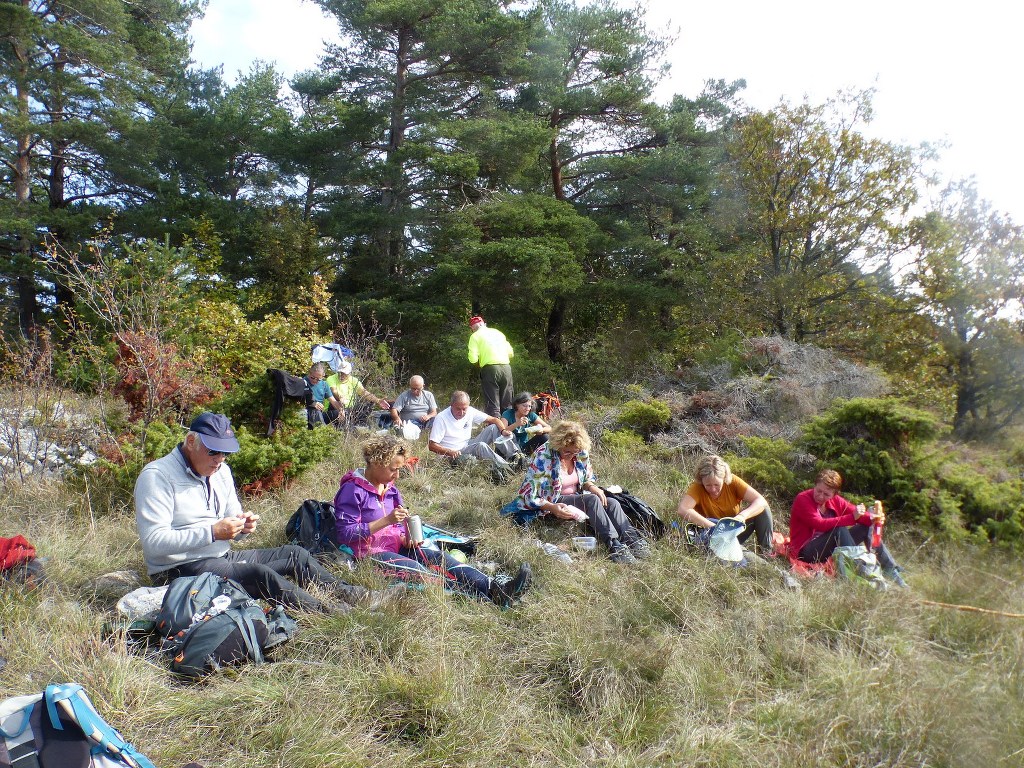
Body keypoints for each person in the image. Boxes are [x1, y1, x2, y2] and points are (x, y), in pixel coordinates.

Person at [134, 412, 370, 613]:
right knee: (258, 574)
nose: (220, 460)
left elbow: (232, 519)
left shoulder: (221, 472)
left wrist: (242, 528)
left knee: (295, 553)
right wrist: (213, 533)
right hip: (178, 570)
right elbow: (154, 543)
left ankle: (352, 594)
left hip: (218, 557)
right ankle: (327, 613)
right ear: (190, 441)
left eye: (225, 453)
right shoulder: (157, 476)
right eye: (213, 452)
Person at [333, 434, 531, 607]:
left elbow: (398, 525)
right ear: (376, 463)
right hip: (369, 554)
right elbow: (345, 533)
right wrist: (386, 520)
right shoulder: (352, 490)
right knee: (421, 573)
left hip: (396, 546)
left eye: (400, 469)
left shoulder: (390, 487)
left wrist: (405, 537)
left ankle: (495, 587)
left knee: (440, 558)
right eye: (393, 469)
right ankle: (486, 597)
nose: (397, 475)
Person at [515, 421, 651, 565]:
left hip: (577, 496)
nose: (571, 455)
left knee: (612, 502)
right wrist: (551, 507)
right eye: (567, 451)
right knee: (591, 501)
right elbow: (529, 495)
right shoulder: (543, 456)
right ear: (558, 443)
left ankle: (632, 540)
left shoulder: (580, 452)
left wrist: (592, 487)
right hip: (555, 499)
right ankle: (614, 545)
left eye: (574, 452)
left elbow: (586, 478)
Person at [789, 469, 907, 587]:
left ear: (834, 494)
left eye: (826, 494)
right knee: (839, 530)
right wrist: (852, 517)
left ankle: (890, 569)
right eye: (818, 491)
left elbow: (857, 515)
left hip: (827, 549)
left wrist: (873, 518)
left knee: (865, 528)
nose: (820, 496)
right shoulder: (803, 499)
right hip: (806, 552)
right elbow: (819, 523)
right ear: (814, 485)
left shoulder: (836, 501)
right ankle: (859, 572)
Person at [675, 455, 774, 555]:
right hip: (713, 537)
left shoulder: (732, 481)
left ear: (724, 478)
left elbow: (761, 501)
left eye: (717, 485)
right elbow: (683, 509)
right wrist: (714, 527)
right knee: (746, 559)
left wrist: (742, 516)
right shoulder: (697, 487)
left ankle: (766, 552)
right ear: (702, 481)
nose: (713, 489)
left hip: (733, 529)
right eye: (708, 485)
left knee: (763, 510)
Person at [428, 391, 518, 475]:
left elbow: (494, 419)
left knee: (493, 428)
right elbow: (432, 446)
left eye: (464, 409)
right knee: (480, 446)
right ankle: (507, 467)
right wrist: (449, 452)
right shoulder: (441, 418)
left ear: (468, 405)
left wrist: (503, 430)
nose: (461, 412)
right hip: (452, 454)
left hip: (467, 445)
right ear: (451, 405)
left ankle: (515, 457)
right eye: (458, 409)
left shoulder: (470, 411)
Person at [467, 315, 514, 417]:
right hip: (506, 367)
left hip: (490, 369)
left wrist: (479, 360)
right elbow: (511, 353)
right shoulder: (498, 333)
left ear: (472, 328)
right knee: (507, 400)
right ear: (484, 324)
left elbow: (472, 359)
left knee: (492, 402)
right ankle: (509, 426)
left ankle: (496, 428)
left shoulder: (474, 336)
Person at [324, 360, 390, 426]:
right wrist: (340, 397)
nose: (341, 375)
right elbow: (333, 391)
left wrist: (378, 400)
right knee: (336, 409)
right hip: (335, 407)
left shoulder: (354, 381)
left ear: (349, 373)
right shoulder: (331, 378)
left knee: (368, 405)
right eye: (340, 372)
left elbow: (363, 392)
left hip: (350, 409)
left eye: (344, 374)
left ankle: (359, 423)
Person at [501, 392, 551, 457]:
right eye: (524, 405)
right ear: (517, 405)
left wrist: (541, 430)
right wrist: (516, 424)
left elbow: (549, 428)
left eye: (529, 406)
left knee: (545, 437)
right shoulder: (507, 414)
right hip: (508, 448)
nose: (527, 408)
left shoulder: (530, 415)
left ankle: (545, 460)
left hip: (524, 448)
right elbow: (501, 432)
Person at [305, 362, 341, 428]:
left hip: (320, 415)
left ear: (323, 376)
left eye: (318, 379)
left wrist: (341, 411)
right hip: (307, 414)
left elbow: (333, 401)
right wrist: (312, 403)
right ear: (309, 372)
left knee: (338, 413)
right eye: (312, 377)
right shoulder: (303, 382)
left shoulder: (324, 384)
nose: (315, 381)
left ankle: (340, 433)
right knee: (315, 411)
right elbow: (297, 400)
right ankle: (323, 433)